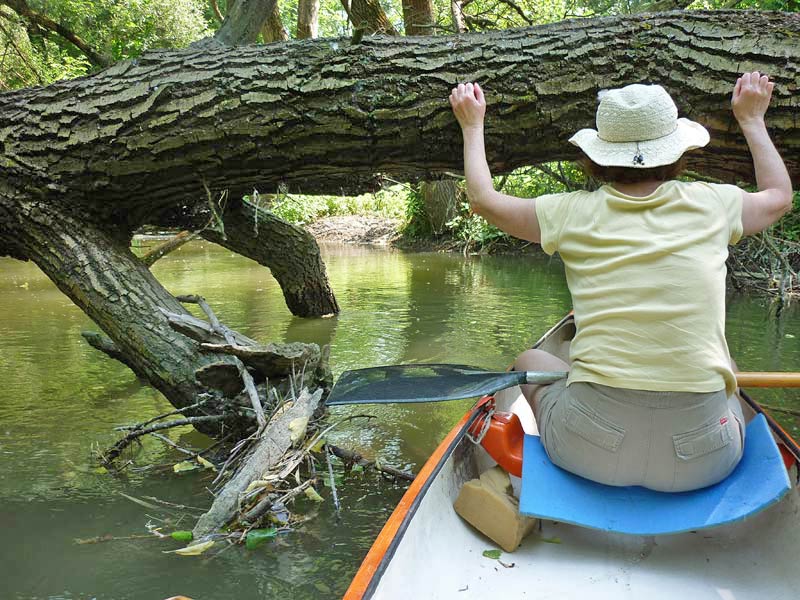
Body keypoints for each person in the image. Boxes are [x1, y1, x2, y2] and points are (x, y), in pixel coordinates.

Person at [449, 74, 793, 492]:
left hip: (588, 451)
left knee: (529, 362)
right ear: (678, 151)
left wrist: (472, 125)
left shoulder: (570, 213)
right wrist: (753, 119)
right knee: (728, 369)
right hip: (704, 460)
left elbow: (484, 200)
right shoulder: (715, 203)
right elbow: (779, 196)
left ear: (598, 156)